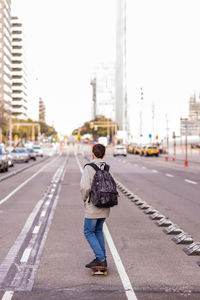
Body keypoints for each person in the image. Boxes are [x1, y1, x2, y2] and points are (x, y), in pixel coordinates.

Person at [80, 143, 109, 268]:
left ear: (92, 153)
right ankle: (103, 258)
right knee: (98, 230)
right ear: (104, 154)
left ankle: (101, 258)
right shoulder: (106, 167)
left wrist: (85, 199)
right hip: (105, 204)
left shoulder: (88, 167)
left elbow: (85, 187)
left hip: (93, 205)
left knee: (88, 231)